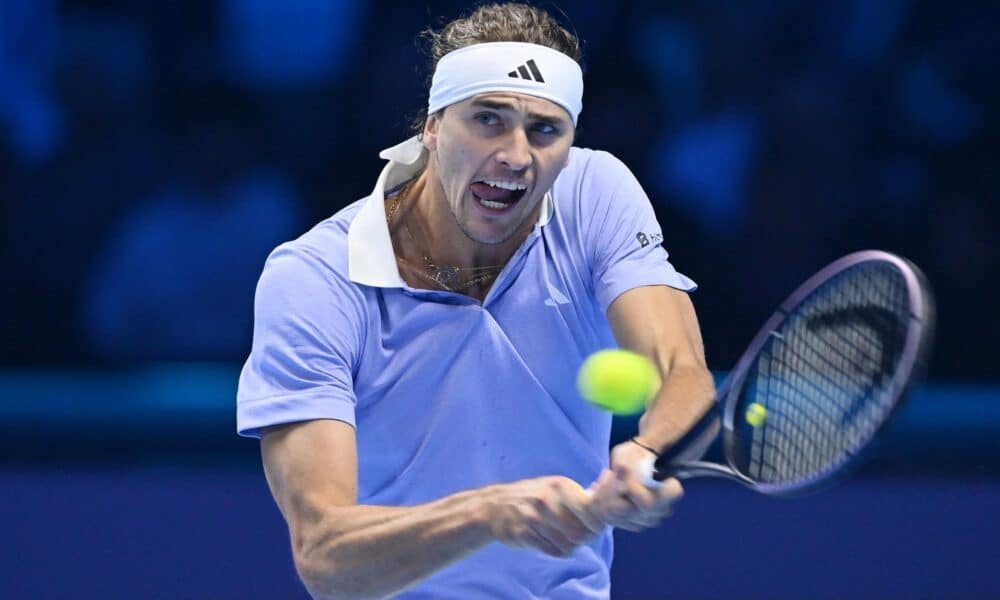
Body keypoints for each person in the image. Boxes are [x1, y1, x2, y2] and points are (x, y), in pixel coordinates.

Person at [237, 4, 715, 598]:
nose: (516, 155)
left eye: (545, 129)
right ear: (432, 127)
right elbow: (326, 556)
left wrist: (648, 453)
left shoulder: (594, 194)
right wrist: (487, 514)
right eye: (488, 119)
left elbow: (681, 370)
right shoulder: (315, 280)